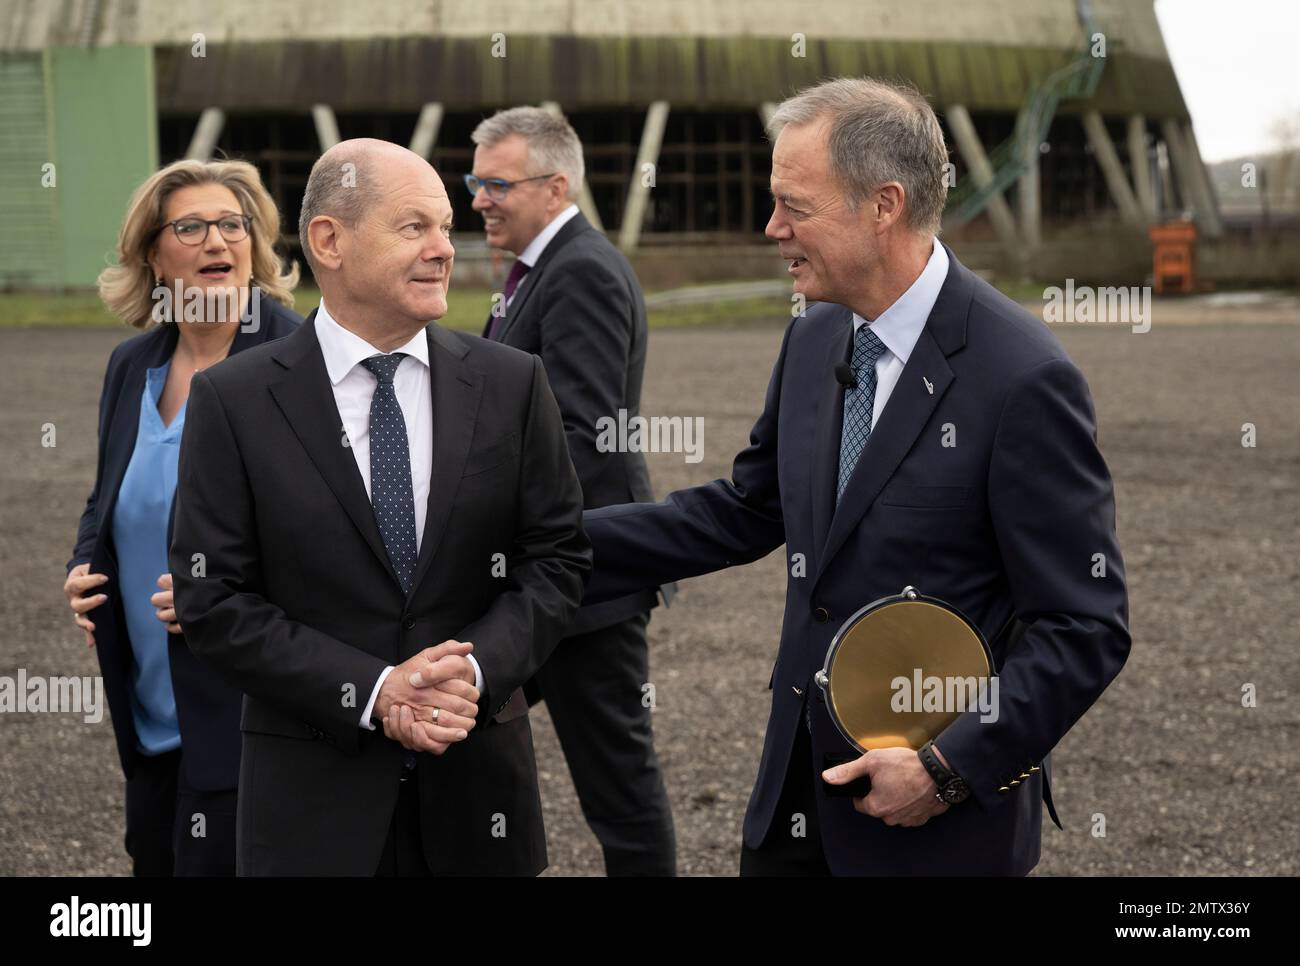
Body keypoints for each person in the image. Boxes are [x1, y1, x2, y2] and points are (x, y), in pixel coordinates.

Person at [581, 77, 1131, 875]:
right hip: (793, 806)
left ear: (883, 205)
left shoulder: (1022, 379)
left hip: (932, 832)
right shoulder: (815, 335)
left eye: (793, 206)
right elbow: (747, 508)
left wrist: (947, 769)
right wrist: (550, 544)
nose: (772, 229)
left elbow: (1086, 627)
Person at [169, 138, 591, 876]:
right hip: (312, 810)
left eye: (444, 227)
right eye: (414, 228)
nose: (443, 250)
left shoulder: (512, 382)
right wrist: (373, 690)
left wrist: (475, 672)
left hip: (476, 800)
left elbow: (556, 562)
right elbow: (214, 600)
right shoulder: (234, 400)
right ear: (328, 240)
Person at [63, 157, 302, 875]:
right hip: (149, 714)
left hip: (251, 717)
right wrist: (85, 563)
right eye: (191, 227)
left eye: (233, 225)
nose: (216, 242)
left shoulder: (296, 359)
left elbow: (334, 532)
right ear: (153, 255)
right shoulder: (132, 365)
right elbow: (108, 494)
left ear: (255, 246)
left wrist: (225, 590)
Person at [469, 106, 676, 876]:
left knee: (618, 787)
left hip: (586, 582)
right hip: (549, 578)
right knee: (461, 731)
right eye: (475, 181)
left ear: (555, 187)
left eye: (497, 183)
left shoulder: (580, 270)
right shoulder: (536, 272)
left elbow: (587, 437)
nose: (479, 199)